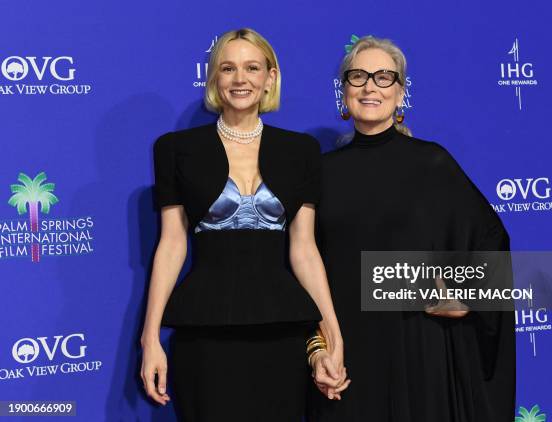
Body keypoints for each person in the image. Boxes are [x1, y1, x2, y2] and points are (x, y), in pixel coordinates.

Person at [139, 28, 347, 421]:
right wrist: (150, 338)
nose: (240, 79)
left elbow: (304, 248)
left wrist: (332, 333)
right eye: (228, 68)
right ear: (214, 77)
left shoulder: (300, 151)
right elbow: (171, 245)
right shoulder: (176, 149)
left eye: (252, 68)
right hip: (206, 331)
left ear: (270, 77)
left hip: (282, 330)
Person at [307, 36, 516, 421]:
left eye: (384, 77)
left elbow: (492, 238)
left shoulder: (432, 164)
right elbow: (302, 268)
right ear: (344, 91)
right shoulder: (318, 173)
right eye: (358, 76)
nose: (371, 86)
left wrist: (468, 295)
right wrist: (320, 347)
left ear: (400, 94)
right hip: (346, 359)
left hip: (419, 351)